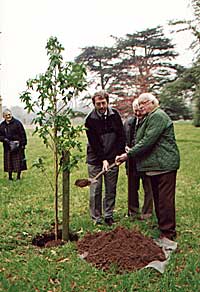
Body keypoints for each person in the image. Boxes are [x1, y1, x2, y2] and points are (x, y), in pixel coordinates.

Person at [115, 93, 180, 240]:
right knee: (158, 199)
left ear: (153, 103)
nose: (141, 106)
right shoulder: (149, 117)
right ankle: (163, 227)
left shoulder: (157, 116)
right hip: (155, 166)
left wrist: (128, 155)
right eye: (139, 103)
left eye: (144, 103)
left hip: (164, 165)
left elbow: (147, 141)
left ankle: (169, 233)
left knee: (165, 200)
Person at [85, 90, 125, 226]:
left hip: (113, 157)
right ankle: (97, 217)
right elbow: (94, 143)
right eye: (98, 104)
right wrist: (103, 160)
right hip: (95, 159)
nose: (101, 106)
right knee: (95, 189)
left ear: (107, 102)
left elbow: (121, 136)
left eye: (103, 103)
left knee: (110, 188)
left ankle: (108, 215)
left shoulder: (115, 116)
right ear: (94, 104)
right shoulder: (90, 120)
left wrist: (118, 155)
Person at [124, 99, 153, 221]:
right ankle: (133, 212)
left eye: (140, 111)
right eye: (135, 111)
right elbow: (123, 138)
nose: (137, 114)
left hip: (146, 160)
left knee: (148, 188)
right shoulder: (128, 122)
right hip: (131, 161)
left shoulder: (150, 122)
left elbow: (148, 141)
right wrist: (125, 147)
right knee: (132, 187)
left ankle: (147, 213)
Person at [0, 109, 27, 180]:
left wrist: (23, 144)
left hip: (18, 145)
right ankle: (10, 177)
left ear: (11, 114)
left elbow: (23, 134)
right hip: (7, 146)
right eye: (6, 115)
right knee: (9, 162)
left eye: (9, 114)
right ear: (4, 116)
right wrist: (4, 139)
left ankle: (18, 177)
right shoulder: (2, 125)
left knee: (18, 162)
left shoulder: (17, 123)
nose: (8, 116)